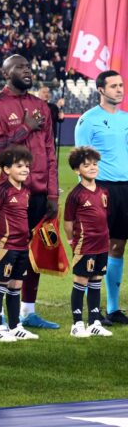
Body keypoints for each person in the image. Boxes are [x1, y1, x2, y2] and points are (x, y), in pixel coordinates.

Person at [0, 54, 59, 330]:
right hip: (9, 192)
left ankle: (28, 311)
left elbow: (49, 151)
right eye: (19, 67)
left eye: (28, 66)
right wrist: (24, 128)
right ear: (5, 73)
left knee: (32, 253)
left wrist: (53, 193)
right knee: (3, 251)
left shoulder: (41, 106)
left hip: (39, 192)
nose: (27, 70)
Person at [74, 70, 128, 325]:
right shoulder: (88, 120)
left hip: (125, 189)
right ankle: (86, 309)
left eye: (121, 85)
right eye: (114, 86)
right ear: (101, 90)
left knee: (118, 246)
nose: (120, 89)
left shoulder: (126, 119)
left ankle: (113, 309)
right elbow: (79, 160)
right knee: (94, 246)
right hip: (100, 189)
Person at [0, 146, 40, 342]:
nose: (25, 169)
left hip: (22, 246)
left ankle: (15, 326)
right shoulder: (1, 190)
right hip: (5, 245)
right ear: (7, 169)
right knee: (0, 284)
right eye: (19, 166)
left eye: (27, 166)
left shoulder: (26, 191)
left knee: (16, 285)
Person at [64, 147, 114, 338]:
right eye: (87, 165)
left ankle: (94, 322)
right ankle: (77, 324)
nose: (92, 168)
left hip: (102, 244)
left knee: (96, 282)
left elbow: (104, 216)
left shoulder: (103, 191)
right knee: (81, 281)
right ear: (77, 170)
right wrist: (71, 240)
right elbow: (68, 222)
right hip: (84, 245)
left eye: (94, 164)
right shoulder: (75, 195)